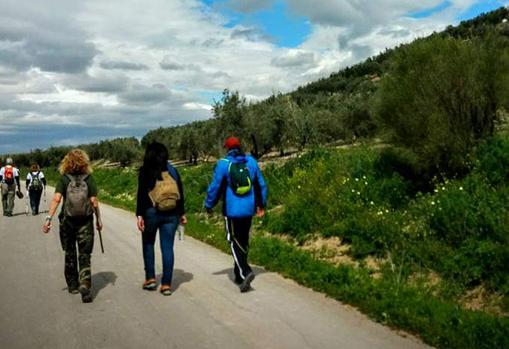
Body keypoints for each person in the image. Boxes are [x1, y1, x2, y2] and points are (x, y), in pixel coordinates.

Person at [205, 136, 267, 293]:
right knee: (243, 240)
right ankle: (239, 275)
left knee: (232, 240)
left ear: (227, 148)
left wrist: (209, 204)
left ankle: (245, 271)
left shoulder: (223, 164)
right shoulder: (251, 161)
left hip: (231, 210)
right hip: (248, 209)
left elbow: (215, 187)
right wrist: (261, 204)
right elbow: (261, 184)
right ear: (240, 146)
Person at [42, 149, 103, 303]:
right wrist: (98, 219)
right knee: (84, 255)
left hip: (67, 222)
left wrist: (48, 218)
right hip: (86, 221)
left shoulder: (64, 179)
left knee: (69, 253)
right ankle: (85, 283)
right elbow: (94, 201)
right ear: (84, 162)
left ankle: (73, 285)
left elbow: (56, 199)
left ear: (67, 162)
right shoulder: (89, 178)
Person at [136, 142, 187, 296]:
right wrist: (182, 213)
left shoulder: (145, 171)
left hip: (151, 212)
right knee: (167, 248)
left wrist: (139, 215)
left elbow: (141, 196)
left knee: (148, 243)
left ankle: (150, 279)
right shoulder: (172, 170)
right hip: (171, 213)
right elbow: (180, 193)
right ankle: (166, 284)